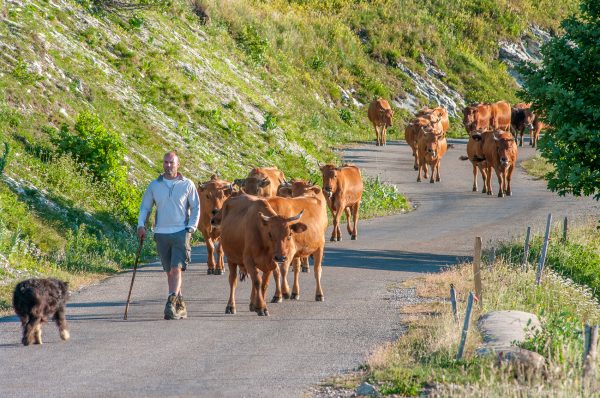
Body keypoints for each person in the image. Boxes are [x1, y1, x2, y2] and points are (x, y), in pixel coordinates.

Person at [137, 151, 200, 320]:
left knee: (176, 268)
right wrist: (141, 225)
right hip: (161, 233)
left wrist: (191, 228)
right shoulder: (154, 185)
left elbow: (196, 207)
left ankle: (170, 302)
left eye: (171, 162)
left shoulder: (187, 184)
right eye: (166, 162)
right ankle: (180, 304)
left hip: (181, 231)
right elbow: (145, 207)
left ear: (178, 164)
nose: (168, 165)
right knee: (169, 271)